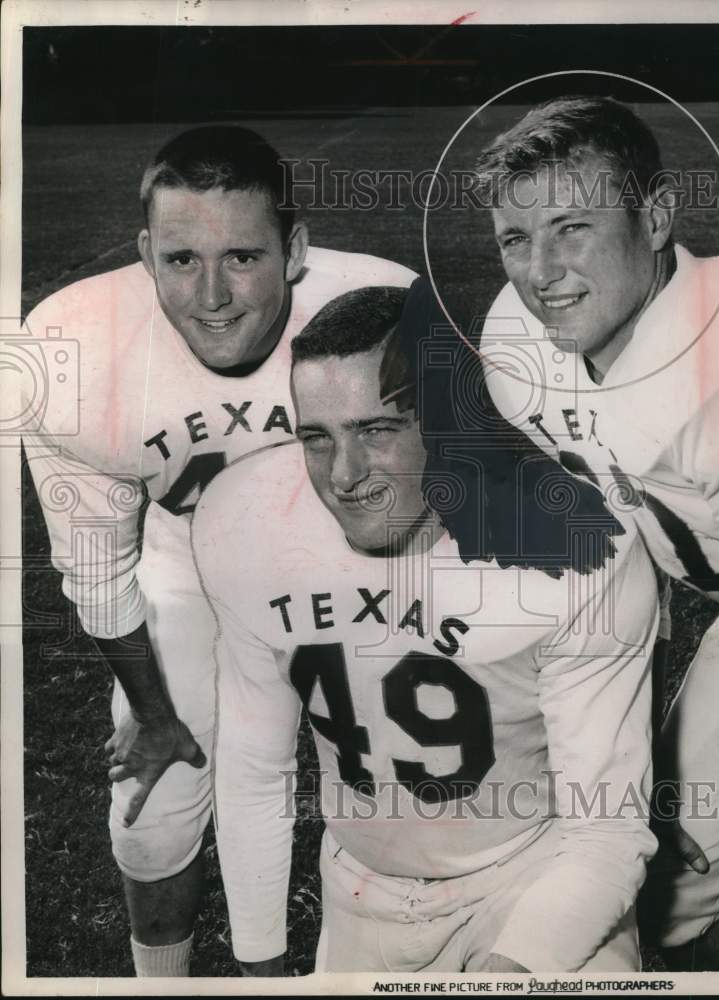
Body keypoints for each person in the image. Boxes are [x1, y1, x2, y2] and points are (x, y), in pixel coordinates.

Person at [22, 125, 414, 976]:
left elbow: (450, 489)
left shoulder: (387, 310)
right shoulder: (75, 350)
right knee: (157, 806)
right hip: (181, 557)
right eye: (180, 260)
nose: (211, 296)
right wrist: (156, 716)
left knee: (410, 778)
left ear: (295, 249)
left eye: (242, 257)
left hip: (343, 553)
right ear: (143, 254)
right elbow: (96, 571)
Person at [191, 280, 660, 974]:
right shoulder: (247, 523)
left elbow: (607, 829)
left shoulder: (570, 543)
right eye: (316, 438)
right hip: (360, 891)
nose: (344, 475)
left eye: (377, 430)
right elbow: (257, 767)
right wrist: (260, 959)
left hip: (532, 878)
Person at [475, 95, 719, 969]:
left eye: (571, 227)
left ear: (654, 217)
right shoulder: (519, 344)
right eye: (514, 239)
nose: (539, 271)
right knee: (675, 891)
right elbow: (615, 557)